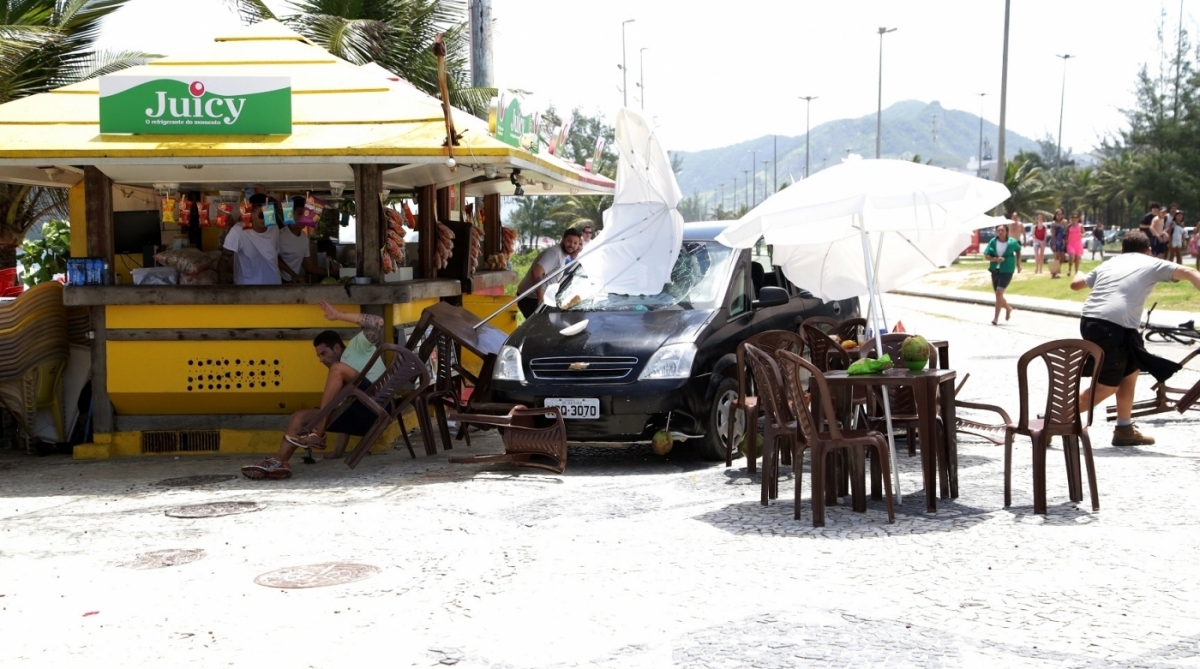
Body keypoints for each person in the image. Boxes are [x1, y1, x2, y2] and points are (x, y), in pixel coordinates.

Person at [1071, 230, 1200, 446]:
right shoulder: (1151, 262)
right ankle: (1053, 419)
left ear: (1122, 250)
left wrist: (1080, 271)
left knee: (1130, 372)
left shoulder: (1111, 263)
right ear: (1148, 250)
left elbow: (1076, 285)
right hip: (1112, 325)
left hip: (1096, 322)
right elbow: (1188, 271)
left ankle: (1124, 428)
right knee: (1107, 385)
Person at [242, 301, 388, 479]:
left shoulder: (356, 347)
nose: (321, 360)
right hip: (360, 413)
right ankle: (280, 462)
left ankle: (319, 433)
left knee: (337, 368)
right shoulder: (338, 377)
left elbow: (378, 321)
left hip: (378, 400)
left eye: (323, 354)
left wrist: (338, 315)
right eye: (318, 356)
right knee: (299, 417)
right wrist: (337, 452)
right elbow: (342, 409)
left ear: (336, 347)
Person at [218, 194, 286, 285]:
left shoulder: (274, 228)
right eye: (261, 215)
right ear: (251, 213)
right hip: (248, 289)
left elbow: (274, 256)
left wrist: (293, 274)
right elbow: (223, 262)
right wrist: (226, 291)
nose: (266, 219)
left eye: (269, 214)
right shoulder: (238, 231)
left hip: (274, 286)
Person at [515, 228, 583, 318]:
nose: (571, 245)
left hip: (540, 298)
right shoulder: (554, 253)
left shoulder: (563, 255)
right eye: (569, 241)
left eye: (575, 243)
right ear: (563, 239)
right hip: (531, 298)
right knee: (540, 328)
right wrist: (540, 298)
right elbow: (536, 272)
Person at [278, 196, 340, 283]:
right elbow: (274, 258)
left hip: (291, 284)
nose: (304, 217)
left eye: (306, 213)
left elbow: (309, 267)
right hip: (276, 283)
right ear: (290, 214)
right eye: (300, 213)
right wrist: (292, 274)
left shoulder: (304, 237)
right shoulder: (279, 235)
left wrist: (335, 273)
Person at [984, 223, 1020, 325]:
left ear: (1007, 231)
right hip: (995, 269)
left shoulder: (1012, 242)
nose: (1000, 232)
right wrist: (995, 259)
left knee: (999, 293)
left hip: (1007, 269)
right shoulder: (993, 242)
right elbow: (986, 256)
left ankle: (995, 318)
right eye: (998, 230)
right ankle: (1008, 308)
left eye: (1002, 230)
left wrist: (1019, 264)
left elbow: (1018, 250)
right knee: (998, 295)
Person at [1049, 209, 1067, 279]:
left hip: (1062, 242)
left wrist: (1066, 240)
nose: (1059, 216)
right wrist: (1054, 244)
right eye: (1057, 214)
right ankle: (1054, 274)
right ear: (1055, 215)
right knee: (1057, 258)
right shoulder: (1053, 223)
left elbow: (1066, 232)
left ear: (1062, 215)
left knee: (1063, 258)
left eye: (1060, 214)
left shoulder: (1065, 222)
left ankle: (1055, 271)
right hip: (1055, 241)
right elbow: (1053, 235)